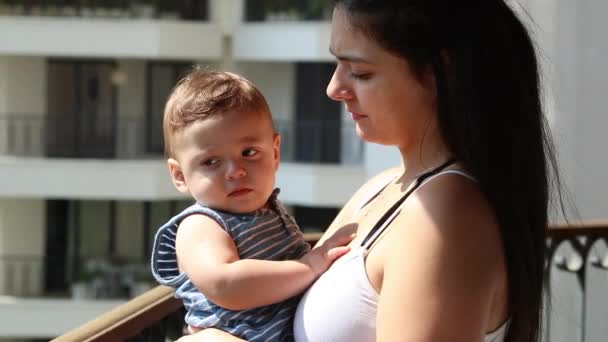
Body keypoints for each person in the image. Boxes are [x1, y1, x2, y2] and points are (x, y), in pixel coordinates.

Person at [193, 1, 561, 341]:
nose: (334, 88)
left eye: (361, 72)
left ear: (439, 72)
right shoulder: (385, 188)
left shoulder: (447, 214)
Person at [150, 70, 354, 341]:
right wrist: (309, 266)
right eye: (211, 162)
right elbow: (225, 284)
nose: (235, 171)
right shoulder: (201, 225)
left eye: (249, 153)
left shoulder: (270, 210)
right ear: (180, 176)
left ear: (275, 152)